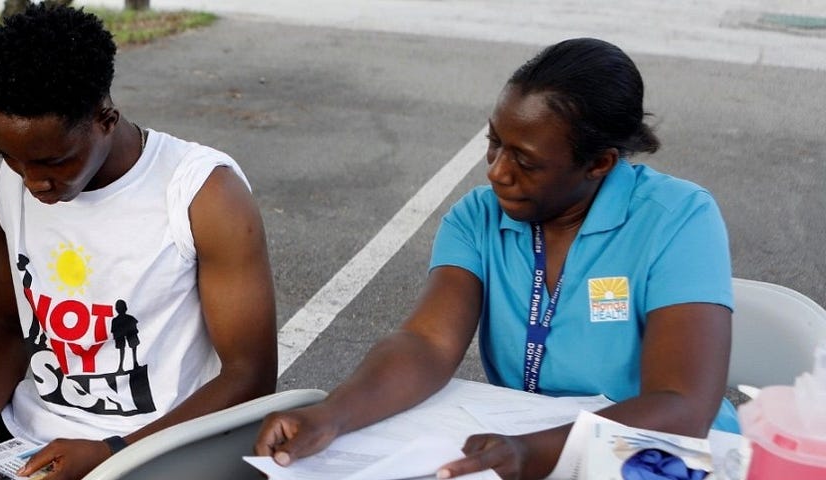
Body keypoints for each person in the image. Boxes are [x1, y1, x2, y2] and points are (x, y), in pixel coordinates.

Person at [254, 38, 737, 479]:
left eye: (525, 162)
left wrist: (534, 453)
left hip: (658, 457)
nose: (497, 173)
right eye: (494, 143)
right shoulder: (477, 218)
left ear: (599, 164)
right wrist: (332, 415)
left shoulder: (678, 218)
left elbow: (682, 405)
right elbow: (426, 343)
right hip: (526, 445)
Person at [0, 5, 279, 480]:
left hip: (154, 444)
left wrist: (113, 450)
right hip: (27, 436)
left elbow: (249, 376)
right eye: (8, 155)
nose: (32, 182)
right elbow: (8, 324)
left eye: (54, 161)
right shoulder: (11, 186)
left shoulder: (202, 194)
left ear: (105, 117)